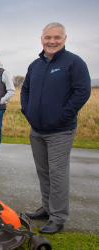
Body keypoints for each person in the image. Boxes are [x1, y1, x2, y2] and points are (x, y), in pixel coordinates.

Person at [21, 22, 91, 234]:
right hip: (37, 130)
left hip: (60, 131)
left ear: (64, 39)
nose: (52, 41)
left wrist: (64, 115)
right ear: (41, 39)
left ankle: (58, 217)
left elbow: (82, 91)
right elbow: (25, 90)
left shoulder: (74, 63)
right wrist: (28, 111)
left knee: (58, 174)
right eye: (48, 37)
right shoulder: (35, 65)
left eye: (57, 37)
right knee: (43, 172)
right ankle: (47, 208)